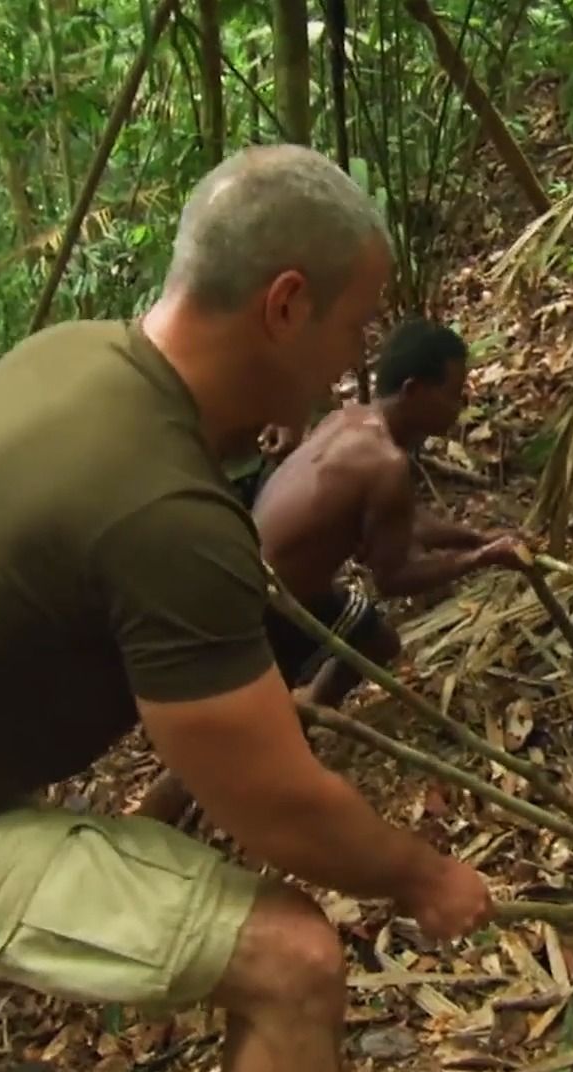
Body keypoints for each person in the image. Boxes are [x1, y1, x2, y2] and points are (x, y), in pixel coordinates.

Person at [0, 144, 494, 1072]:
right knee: (292, 960)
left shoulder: (73, 352)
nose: (356, 358)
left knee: (11, 852)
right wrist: (425, 877)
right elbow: (276, 808)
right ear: (287, 305)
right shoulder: (164, 513)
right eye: (354, 325)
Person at [132, 318, 524, 826]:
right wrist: (482, 560)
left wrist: (473, 538)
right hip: (267, 607)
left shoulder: (351, 421)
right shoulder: (386, 465)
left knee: (376, 640)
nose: (460, 405)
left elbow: (402, 521)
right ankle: (144, 831)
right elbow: (395, 576)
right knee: (216, 752)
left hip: (259, 579)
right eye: (454, 393)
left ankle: (304, 715)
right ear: (414, 391)